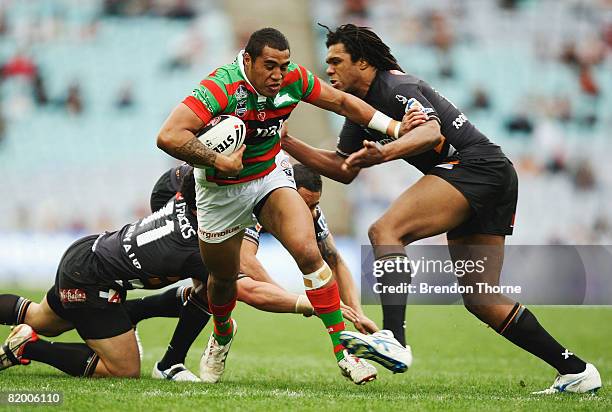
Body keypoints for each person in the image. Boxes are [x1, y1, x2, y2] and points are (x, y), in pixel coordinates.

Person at [281, 24, 601, 394]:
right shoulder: (360, 112)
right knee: (481, 299)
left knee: (384, 231)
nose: (329, 70)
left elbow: (432, 133)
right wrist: (289, 142)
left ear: (363, 63)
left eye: (336, 61)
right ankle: (575, 370)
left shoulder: (395, 88)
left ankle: (395, 340)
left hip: (476, 166)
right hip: (490, 176)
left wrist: (384, 151)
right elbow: (343, 168)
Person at [156, 27, 406, 381]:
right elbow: (168, 135)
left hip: (268, 177)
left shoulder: (294, 79)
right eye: (269, 66)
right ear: (247, 61)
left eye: (283, 66)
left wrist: (395, 127)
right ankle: (223, 333)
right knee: (223, 280)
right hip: (219, 192)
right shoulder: (220, 87)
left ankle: (344, 352)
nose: (278, 75)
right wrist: (217, 160)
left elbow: (342, 102)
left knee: (309, 253)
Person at [0, 172, 321, 378]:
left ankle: (158, 348)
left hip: (87, 253)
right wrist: (309, 303)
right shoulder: (199, 248)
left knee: (42, 318)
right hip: (91, 281)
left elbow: (177, 175)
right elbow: (248, 292)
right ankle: (29, 348)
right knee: (124, 370)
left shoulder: (183, 195)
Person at [141, 158, 378, 384]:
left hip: (217, 191)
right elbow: (245, 261)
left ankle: (156, 339)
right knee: (224, 280)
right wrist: (296, 299)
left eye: (316, 205)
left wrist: (358, 314)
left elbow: (334, 259)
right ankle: (184, 349)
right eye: (308, 206)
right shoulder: (262, 200)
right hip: (176, 193)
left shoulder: (306, 209)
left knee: (210, 287)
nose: (313, 213)